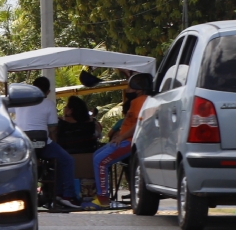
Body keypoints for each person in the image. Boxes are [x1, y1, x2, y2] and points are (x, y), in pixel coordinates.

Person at [12, 74, 82, 210]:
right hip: (43, 144)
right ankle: (66, 196)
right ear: (48, 92)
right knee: (66, 161)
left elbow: (4, 108)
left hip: (22, 144)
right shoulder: (49, 104)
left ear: (32, 89)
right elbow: (53, 128)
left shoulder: (20, 102)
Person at [89, 71, 151, 207]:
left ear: (139, 90)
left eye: (129, 87)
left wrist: (122, 136)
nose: (126, 90)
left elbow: (139, 124)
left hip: (130, 141)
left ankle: (103, 199)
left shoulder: (142, 101)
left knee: (100, 161)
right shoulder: (136, 101)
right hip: (124, 139)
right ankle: (99, 194)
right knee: (96, 156)